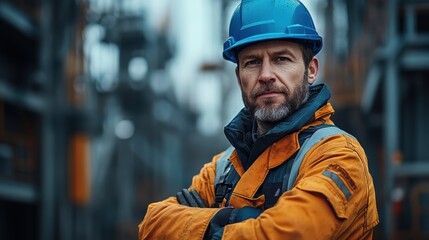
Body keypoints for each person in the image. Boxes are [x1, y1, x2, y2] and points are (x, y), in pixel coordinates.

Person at [138, 0, 379, 239]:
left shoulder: (339, 155)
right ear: (238, 75)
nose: (265, 75)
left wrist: (201, 228)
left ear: (311, 70)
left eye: (281, 59)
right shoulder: (223, 169)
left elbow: (289, 233)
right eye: (252, 62)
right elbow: (152, 224)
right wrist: (226, 219)